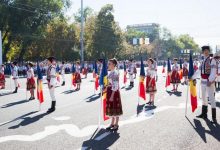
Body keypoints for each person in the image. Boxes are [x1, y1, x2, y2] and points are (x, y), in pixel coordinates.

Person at [197, 46, 217, 124]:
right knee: (204, 98)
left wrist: (210, 80)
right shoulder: (202, 61)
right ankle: (204, 114)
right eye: (204, 50)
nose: (206, 52)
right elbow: (198, 71)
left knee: (211, 98)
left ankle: (214, 117)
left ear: (209, 51)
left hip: (209, 82)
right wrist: (192, 77)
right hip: (203, 82)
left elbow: (213, 71)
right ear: (202, 52)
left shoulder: (212, 60)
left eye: (207, 50)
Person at [106, 58, 123, 132]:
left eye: (109, 64)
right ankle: (112, 123)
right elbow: (110, 83)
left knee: (115, 107)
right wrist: (106, 87)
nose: (108, 65)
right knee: (112, 107)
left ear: (113, 64)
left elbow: (115, 85)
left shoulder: (115, 73)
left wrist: (112, 95)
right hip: (110, 90)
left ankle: (116, 124)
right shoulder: (111, 72)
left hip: (114, 92)